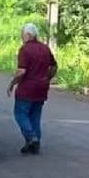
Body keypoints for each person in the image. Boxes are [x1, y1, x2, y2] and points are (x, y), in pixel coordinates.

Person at [7, 23, 57, 154]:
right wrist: (48, 78)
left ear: (28, 35)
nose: (21, 37)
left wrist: (12, 84)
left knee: (20, 113)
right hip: (42, 87)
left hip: (27, 88)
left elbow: (21, 71)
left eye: (22, 35)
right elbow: (54, 66)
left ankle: (31, 137)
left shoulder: (25, 49)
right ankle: (34, 142)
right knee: (35, 114)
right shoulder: (45, 48)